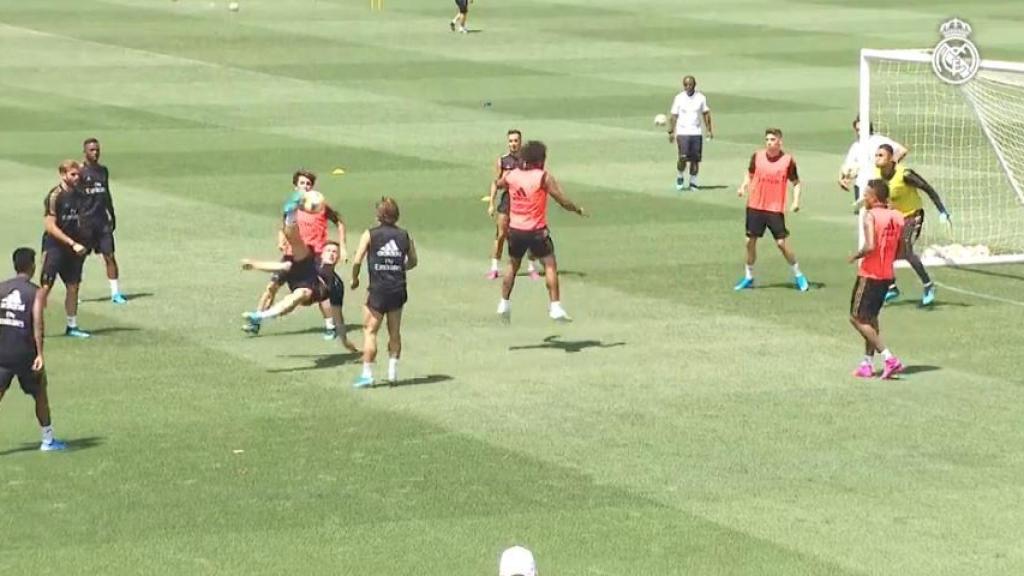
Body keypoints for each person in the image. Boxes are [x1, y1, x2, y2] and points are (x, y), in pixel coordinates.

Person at [246, 170, 348, 339]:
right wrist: (280, 241)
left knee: (320, 291)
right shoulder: (293, 208)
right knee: (272, 286)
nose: (306, 186)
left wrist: (342, 246)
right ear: (296, 186)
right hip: (291, 254)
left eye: (308, 184)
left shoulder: (319, 206)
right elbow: (284, 228)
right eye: (302, 183)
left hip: (314, 255)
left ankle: (330, 325)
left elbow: (339, 221)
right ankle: (257, 320)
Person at [494, 140, 587, 322]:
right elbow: (561, 200)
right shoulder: (542, 177)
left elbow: (499, 183)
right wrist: (577, 209)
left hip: (515, 230)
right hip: (536, 231)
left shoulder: (513, 175)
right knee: (550, 265)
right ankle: (555, 306)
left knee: (512, 265)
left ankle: (504, 303)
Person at [241, 210, 358, 352]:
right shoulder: (313, 260)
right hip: (299, 278)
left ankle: (262, 315)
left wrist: (345, 342)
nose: (332, 254)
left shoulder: (337, 284)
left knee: (299, 294)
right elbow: (290, 254)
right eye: (329, 251)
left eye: (335, 252)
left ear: (339, 256)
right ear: (322, 253)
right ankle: (258, 315)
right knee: (286, 270)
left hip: (310, 292)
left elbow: (338, 316)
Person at [0, 248, 67, 451]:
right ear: (31, 266)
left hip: (2, 353)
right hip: (25, 354)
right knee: (40, 394)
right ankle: (47, 440)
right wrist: (39, 353)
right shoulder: (35, 292)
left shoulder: (1, 288)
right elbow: (37, 322)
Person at [350, 197, 418, 388]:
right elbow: (413, 261)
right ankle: (392, 373)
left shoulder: (370, 234)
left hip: (378, 289)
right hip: (397, 288)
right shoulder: (404, 235)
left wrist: (354, 279)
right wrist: (399, 267)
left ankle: (367, 374)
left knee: (370, 331)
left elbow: (357, 260)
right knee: (394, 332)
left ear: (378, 215)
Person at [873, 144, 951, 306]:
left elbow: (928, 189)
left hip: (913, 215)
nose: (877, 159)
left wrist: (942, 211)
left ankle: (928, 285)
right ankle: (892, 287)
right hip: (895, 218)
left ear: (890, 158)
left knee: (906, 249)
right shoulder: (877, 174)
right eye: (876, 155)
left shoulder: (905, 175)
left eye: (881, 155)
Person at [735, 128, 809, 292]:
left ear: (779, 142)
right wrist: (743, 187)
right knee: (749, 241)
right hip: (755, 205)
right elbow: (750, 174)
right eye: (767, 139)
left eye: (773, 139)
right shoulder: (757, 156)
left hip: (774, 208)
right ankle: (749, 276)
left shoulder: (787, 160)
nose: (769, 142)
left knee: (781, 243)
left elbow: (796, 182)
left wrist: (796, 201)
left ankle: (798, 274)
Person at [848, 180, 905, 379]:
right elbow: (902, 249)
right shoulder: (897, 217)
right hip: (886, 275)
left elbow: (870, 245)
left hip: (870, 274)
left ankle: (889, 358)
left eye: (866, 194)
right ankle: (867, 363)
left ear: (873, 197)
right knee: (871, 318)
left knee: (856, 318)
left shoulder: (870, 216)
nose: (864, 197)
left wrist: (856, 256)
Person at [40, 160, 91, 338]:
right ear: (63, 174)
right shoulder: (55, 196)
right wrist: (71, 242)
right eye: (73, 174)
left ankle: (72, 326)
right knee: (46, 287)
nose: (77, 178)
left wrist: (84, 241)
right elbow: (50, 226)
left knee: (73, 287)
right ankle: (33, 326)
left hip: (74, 249)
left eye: (78, 174)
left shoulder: (79, 194)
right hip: (55, 247)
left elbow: (81, 219)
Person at [78, 138, 126, 304]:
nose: (95, 153)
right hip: (86, 222)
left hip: (102, 222)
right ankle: (75, 293)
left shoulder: (103, 171)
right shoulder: (80, 172)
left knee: (110, 256)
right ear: (85, 152)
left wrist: (112, 214)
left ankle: (115, 293)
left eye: (97, 150)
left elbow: (106, 194)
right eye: (92, 150)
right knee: (80, 258)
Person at [487, 129, 539, 281]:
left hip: (524, 201)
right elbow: (496, 183)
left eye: (516, 141)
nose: (513, 144)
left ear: (520, 142)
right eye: (510, 141)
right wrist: (491, 202)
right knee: (501, 234)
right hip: (508, 201)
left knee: (529, 235)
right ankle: (494, 268)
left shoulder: (527, 161)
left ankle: (532, 268)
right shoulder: (503, 161)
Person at [839, 116, 907, 204]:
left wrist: (890, 165)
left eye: (861, 129)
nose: (859, 132)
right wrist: (843, 179)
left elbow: (902, 150)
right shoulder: (856, 146)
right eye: (857, 130)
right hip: (861, 186)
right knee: (863, 215)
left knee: (880, 212)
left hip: (879, 184)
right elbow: (847, 166)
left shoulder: (879, 140)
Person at [667, 75, 713, 191]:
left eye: (690, 84)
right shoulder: (679, 98)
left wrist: (708, 130)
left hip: (696, 132)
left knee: (695, 159)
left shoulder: (701, 98)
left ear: (694, 85)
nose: (688, 87)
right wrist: (671, 131)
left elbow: (706, 113)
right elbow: (674, 115)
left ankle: (693, 182)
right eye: (685, 85)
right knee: (682, 158)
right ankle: (680, 176)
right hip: (682, 132)